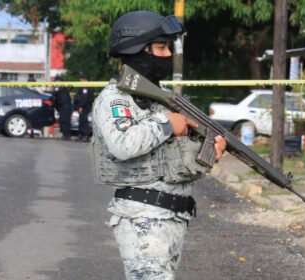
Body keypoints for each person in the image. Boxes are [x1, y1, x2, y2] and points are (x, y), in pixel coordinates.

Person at [92, 11, 227, 279]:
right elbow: (123, 144)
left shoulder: (162, 99)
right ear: (140, 51)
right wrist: (166, 124)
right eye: (161, 47)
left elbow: (174, 160)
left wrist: (210, 152)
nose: (168, 55)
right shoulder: (116, 99)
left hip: (173, 216)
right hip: (142, 217)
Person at [74, 73, 95, 142]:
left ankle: (86, 136)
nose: (80, 80)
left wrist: (81, 106)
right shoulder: (85, 86)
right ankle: (81, 135)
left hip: (85, 107)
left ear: (85, 80)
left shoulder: (85, 87)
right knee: (81, 121)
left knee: (84, 121)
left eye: (81, 79)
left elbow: (84, 98)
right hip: (85, 106)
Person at [52, 75, 72, 140]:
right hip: (62, 106)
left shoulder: (61, 86)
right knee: (63, 120)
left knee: (65, 120)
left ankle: (66, 135)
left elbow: (54, 93)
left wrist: (45, 92)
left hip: (65, 106)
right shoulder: (60, 86)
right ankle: (64, 134)